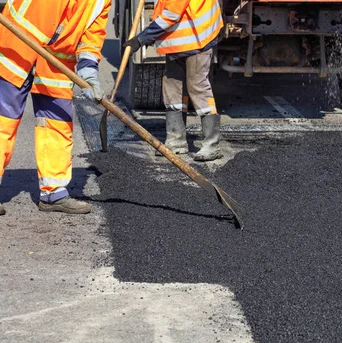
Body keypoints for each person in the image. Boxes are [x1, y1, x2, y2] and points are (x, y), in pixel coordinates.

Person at [0, 0, 111, 216]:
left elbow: (91, 37)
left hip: (56, 66)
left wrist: (88, 71)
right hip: (17, 49)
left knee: (57, 125)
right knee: (3, 122)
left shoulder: (102, 2)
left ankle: (54, 194)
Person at [124, 0, 224, 161]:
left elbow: (171, 14)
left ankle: (212, 145)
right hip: (178, 42)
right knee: (172, 88)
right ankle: (176, 142)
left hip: (198, 39)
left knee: (197, 86)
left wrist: (142, 39)